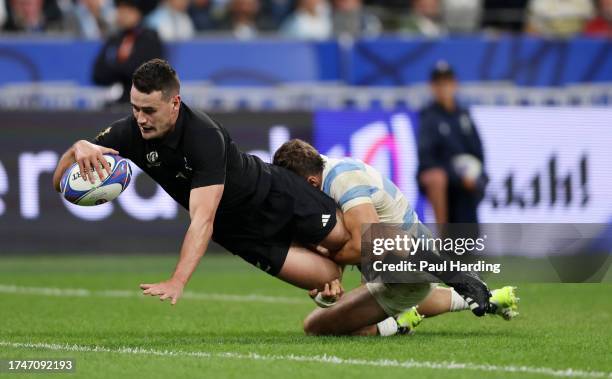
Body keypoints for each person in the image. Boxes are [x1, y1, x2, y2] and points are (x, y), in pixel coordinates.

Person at [53, 58, 350, 306]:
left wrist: (177, 280)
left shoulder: (204, 135)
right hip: (240, 234)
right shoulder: (128, 133)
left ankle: (394, 289)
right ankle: (380, 311)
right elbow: (60, 184)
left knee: (352, 242)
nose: (140, 119)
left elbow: (202, 220)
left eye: (149, 110)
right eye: (135, 108)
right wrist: (75, 148)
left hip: (274, 196)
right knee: (327, 277)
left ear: (174, 103)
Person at [273, 139, 517, 336]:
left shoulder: (342, 181)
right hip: (405, 265)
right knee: (335, 309)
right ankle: (488, 295)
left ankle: (399, 321)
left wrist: (328, 258)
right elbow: (346, 246)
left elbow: (369, 243)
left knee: (319, 327)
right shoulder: (329, 171)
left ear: (310, 182)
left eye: (293, 190)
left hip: (405, 271)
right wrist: (327, 285)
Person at [417, 61, 487, 230]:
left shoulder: (464, 116)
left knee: (467, 236)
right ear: (432, 87)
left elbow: (478, 152)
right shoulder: (429, 118)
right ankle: (442, 235)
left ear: (455, 84)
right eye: (439, 84)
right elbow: (427, 159)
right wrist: (458, 176)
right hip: (446, 176)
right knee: (436, 177)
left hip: (467, 178)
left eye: (447, 82)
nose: (444, 88)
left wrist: (476, 175)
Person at [92, 0, 164, 104]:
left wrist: (116, 68)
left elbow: (143, 73)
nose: (122, 13)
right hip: (116, 103)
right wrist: (121, 70)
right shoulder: (114, 39)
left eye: (127, 9)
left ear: (138, 12)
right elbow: (98, 74)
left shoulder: (150, 38)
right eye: (120, 8)